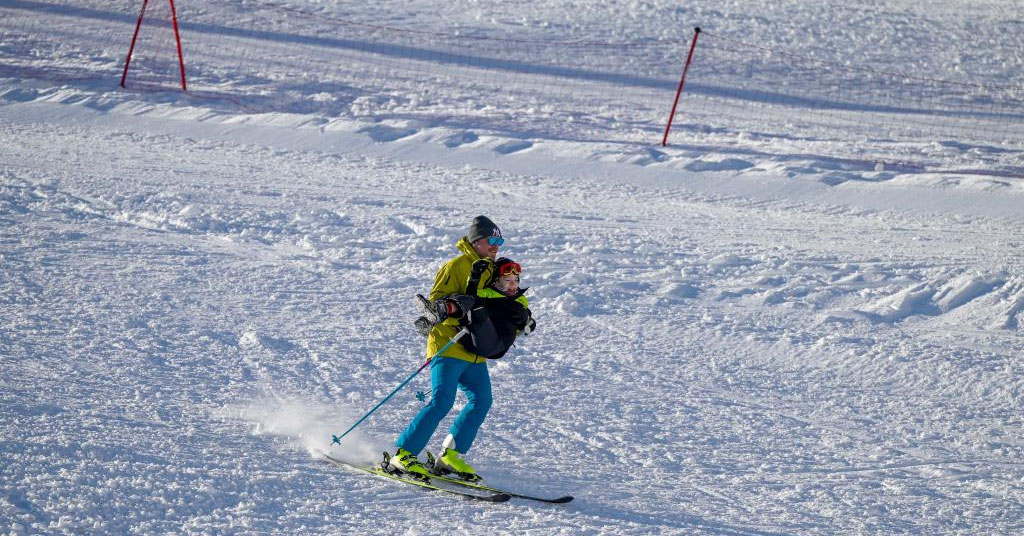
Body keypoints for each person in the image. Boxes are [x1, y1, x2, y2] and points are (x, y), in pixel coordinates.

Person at [390, 216, 533, 481]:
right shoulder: (457, 265)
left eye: (499, 240)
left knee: (482, 401)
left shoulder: (492, 268)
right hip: (448, 344)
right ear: (476, 241)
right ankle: (404, 454)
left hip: (475, 347)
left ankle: (450, 455)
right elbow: (436, 302)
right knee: (442, 401)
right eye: (491, 240)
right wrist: (457, 310)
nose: (496, 246)